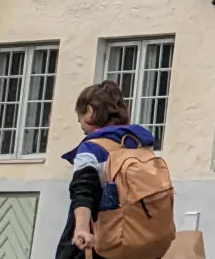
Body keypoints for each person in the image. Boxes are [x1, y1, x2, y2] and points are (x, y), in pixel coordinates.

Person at [59, 80, 158, 259]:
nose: (79, 123)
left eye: (80, 117)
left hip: (98, 245)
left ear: (89, 111)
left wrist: (81, 228)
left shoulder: (92, 149)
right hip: (138, 244)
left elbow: (83, 190)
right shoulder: (142, 146)